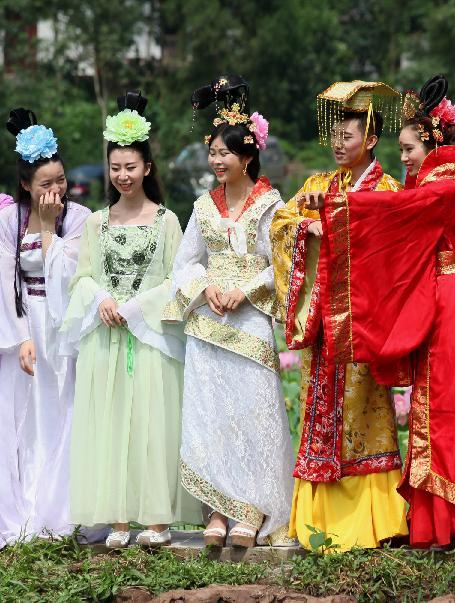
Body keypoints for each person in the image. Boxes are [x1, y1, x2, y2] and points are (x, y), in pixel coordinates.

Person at [303, 75, 455, 549]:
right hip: (439, 299)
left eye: (410, 148)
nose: (403, 157)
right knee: (432, 409)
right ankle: (438, 523)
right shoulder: (433, 184)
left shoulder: (443, 191)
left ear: (434, 144)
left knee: (451, 409)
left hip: (453, 304)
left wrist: (336, 204)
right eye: (400, 148)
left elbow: (390, 212)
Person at [270, 81, 407, 551]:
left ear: (370, 139)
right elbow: (281, 226)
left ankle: (373, 523)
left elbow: (389, 249)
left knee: (365, 417)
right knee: (320, 411)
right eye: (334, 136)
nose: (338, 144)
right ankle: (317, 523)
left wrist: (329, 224)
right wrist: (307, 228)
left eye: (347, 136)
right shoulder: (315, 185)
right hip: (323, 323)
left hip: (363, 326)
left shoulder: (388, 189)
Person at [62, 91, 200, 548]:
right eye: (116, 168)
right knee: (111, 421)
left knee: (150, 423)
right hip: (108, 336)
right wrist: (101, 297)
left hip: (149, 336)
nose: (123, 176)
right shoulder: (97, 223)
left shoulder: (166, 221)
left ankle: (156, 519)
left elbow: (177, 278)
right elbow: (82, 276)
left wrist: (137, 306)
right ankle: (119, 519)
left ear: (147, 168)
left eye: (131, 167)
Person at [165, 76, 294, 548]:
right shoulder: (201, 207)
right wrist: (208, 287)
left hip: (250, 320)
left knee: (252, 412)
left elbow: (279, 266)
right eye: (213, 154)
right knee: (212, 414)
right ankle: (216, 511)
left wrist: (246, 289)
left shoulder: (271, 205)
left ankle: (253, 508)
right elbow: (185, 265)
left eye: (225, 154)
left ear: (247, 157)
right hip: (208, 322)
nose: (217, 161)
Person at [0, 109, 89, 547]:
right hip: (21, 325)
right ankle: (22, 507)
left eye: (60, 180)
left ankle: (63, 509)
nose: (56, 190)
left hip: (62, 324)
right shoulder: (7, 220)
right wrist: (20, 337)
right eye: (45, 184)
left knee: (61, 409)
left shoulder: (78, 218)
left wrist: (51, 226)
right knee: (20, 419)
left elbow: (76, 274)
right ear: (25, 186)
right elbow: (3, 280)